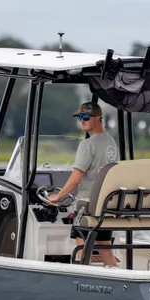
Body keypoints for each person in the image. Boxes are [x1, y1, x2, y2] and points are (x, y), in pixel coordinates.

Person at [48, 101, 119, 266]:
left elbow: (75, 179)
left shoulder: (87, 145)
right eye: (80, 117)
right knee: (105, 249)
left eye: (86, 117)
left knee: (81, 247)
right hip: (106, 204)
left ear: (99, 119)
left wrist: (57, 197)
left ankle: (81, 276)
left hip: (87, 204)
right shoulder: (111, 143)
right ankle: (112, 274)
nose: (82, 120)